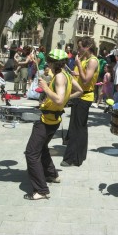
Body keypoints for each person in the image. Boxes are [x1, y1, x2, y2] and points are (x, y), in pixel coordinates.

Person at [23, 49, 83, 200]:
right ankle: (52, 175)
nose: (47, 63)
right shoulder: (66, 75)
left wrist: (46, 89)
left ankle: (41, 190)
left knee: (31, 152)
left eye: (49, 61)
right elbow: (80, 91)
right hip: (53, 119)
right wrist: (63, 99)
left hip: (47, 121)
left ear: (53, 62)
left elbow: (58, 99)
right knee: (42, 148)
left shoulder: (60, 77)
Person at [61, 36, 99, 167]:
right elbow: (81, 76)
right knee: (79, 127)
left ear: (87, 47)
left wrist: (78, 65)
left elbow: (86, 80)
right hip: (78, 96)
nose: (78, 49)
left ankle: (71, 158)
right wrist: (74, 72)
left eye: (80, 47)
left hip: (84, 97)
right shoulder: (85, 59)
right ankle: (79, 156)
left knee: (77, 128)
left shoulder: (93, 61)